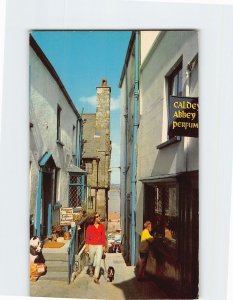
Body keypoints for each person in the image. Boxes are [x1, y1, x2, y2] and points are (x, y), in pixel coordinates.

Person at [85, 212, 106, 284]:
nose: (99, 218)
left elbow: (103, 236)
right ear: (94, 218)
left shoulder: (102, 226)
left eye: (99, 216)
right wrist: (87, 247)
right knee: (91, 260)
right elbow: (87, 238)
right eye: (97, 217)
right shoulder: (89, 227)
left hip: (99, 246)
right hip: (91, 245)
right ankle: (90, 269)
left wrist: (104, 246)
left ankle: (96, 277)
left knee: (98, 261)